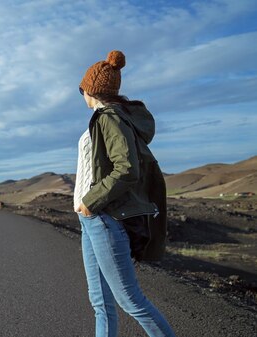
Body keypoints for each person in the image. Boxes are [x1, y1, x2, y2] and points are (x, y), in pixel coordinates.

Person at [74, 50, 176, 337]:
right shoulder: (105, 118)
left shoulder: (109, 118)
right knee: (101, 303)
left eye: (82, 89)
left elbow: (127, 169)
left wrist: (90, 203)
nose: (81, 94)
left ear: (90, 89)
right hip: (91, 220)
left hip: (103, 217)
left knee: (129, 299)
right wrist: (85, 208)